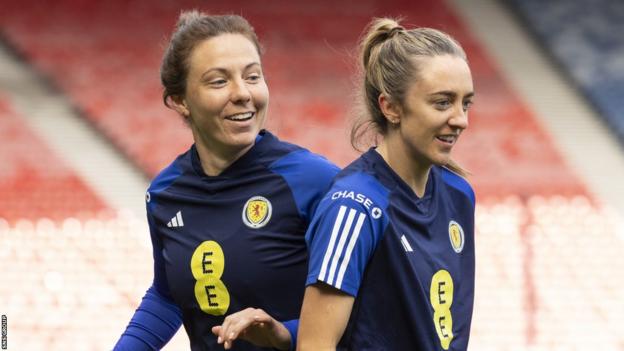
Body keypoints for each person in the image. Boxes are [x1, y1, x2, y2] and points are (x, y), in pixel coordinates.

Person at [113, 10, 339, 351]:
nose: (242, 93)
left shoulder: (316, 181)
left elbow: (368, 301)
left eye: (252, 76)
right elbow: (168, 295)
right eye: (219, 81)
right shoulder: (164, 194)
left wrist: (285, 333)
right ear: (179, 101)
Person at [297, 18, 476, 350]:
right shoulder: (353, 207)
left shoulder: (459, 193)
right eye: (442, 102)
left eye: (465, 103)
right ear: (391, 107)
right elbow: (314, 344)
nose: (460, 120)